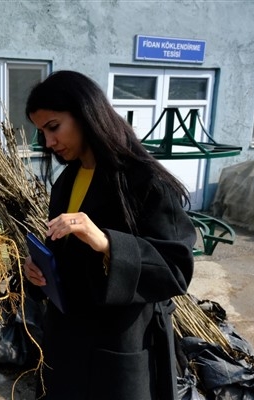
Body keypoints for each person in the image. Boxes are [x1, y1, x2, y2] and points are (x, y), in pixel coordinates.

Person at [22, 70, 197, 400]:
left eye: (54, 127)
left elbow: (176, 269)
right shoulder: (66, 182)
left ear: (86, 113)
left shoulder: (145, 182)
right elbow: (61, 252)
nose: (48, 142)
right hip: (65, 343)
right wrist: (38, 272)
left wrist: (106, 243)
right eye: (42, 131)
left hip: (119, 347)